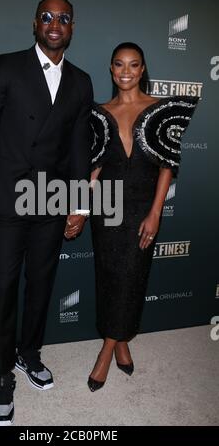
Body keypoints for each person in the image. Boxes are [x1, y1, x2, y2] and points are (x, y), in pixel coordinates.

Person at [0, 0, 93, 424]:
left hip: (51, 201)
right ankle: (1, 376)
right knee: (3, 289)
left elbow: (79, 149)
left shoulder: (81, 81)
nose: (54, 24)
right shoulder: (5, 66)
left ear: (72, 27)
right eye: (46, 17)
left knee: (41, 284)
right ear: (35, 24)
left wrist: (79, 203)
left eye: (63, 18)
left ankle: (29, 353)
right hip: (5, 201)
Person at [88, 42, 198, 391]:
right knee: (108, 277)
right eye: (119, 64)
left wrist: (156, 213)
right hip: (105, 207)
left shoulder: (161, 110)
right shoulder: (98, 112)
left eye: (133, 65)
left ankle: (106, 349)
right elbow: (94, 169)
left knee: (133, 277)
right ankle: (119, 342)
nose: (126, 71)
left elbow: (167, 166)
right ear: (110, 68)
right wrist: (78, 206)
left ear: (142, 68)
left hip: (141, 207)